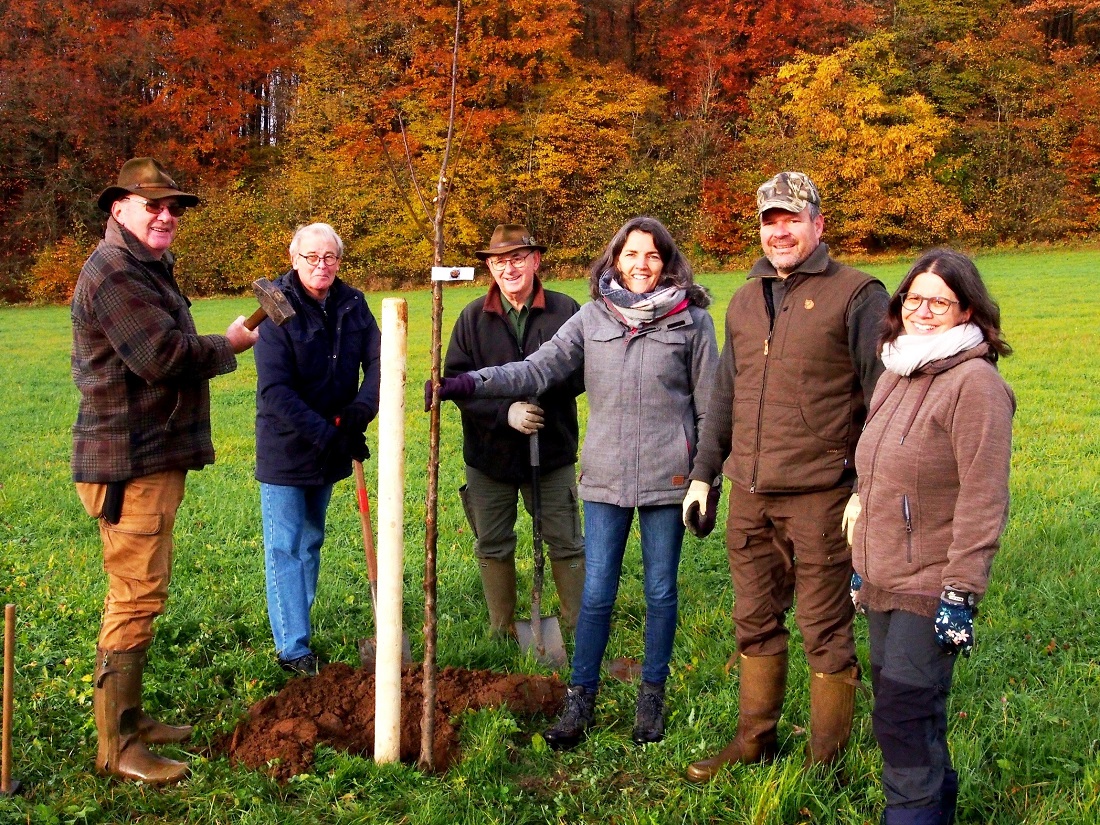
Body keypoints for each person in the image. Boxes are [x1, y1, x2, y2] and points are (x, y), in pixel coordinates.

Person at [433, 217, 718, 748]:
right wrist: (468, 382)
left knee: (659, 590)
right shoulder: (592, 319)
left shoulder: (692, 323)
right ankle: (579, 699)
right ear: (614, 261)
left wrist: (706, 477)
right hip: (605, 477)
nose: (640, 265)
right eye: (630, 254)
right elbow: (536, 368)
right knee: (596, 594)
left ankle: (650, 698)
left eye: (652, 256)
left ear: (667, 263)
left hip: (668, 478)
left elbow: (711, 406)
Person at [682, 171, 890, 781]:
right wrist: (704, 476)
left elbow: (882, 398)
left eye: (792, 220)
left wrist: (867, 487)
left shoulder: (858, 294)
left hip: (822, 495)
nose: (780, 232)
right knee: (753, 618)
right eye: (771, 221)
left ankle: (824, 762)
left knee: (824, 626)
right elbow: (726, 392)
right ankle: (754, 740)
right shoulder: (745, 299)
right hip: (748, 494)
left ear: (818, 224)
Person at [71, 157, 259, 784]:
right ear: (116, 208)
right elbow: (160, 356)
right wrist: (228, 345)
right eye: (150, 204)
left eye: (172, 206)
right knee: (134, 597)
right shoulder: (116, 273)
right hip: (128, 462)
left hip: (148, 455)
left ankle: (133, 721)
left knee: (141, 593)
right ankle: (118, 747)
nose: (165, 215)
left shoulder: (145, 266)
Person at [849, 249, 1014, 824]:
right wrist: (860, 561)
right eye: (914, 298)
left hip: (932, 585)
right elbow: (875, 474)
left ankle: (912, 814)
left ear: (965, 309)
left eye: (938, 302)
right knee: (909, 714)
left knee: (903, 717)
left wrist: (961, 592)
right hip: (881, 577)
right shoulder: (897, 370)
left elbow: (984, 496)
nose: (923, 310)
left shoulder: (975, 385)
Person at [443, 224, 585, 639]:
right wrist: (504, 411)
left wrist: (539, 389)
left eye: (518, 258)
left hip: (553, 449)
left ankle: (576, 625)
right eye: (500, 261)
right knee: (492, 542)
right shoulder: (472, 318)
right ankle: (501, 628)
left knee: (566, 541)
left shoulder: (565, 310)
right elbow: (457, 382)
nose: (510, 268)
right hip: (490, 457)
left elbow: (581, 372)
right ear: (489, 266)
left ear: (536, 261)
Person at [254, 223, 381, 676]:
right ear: (294, 260)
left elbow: (381, 362)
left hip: (335, 440)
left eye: (330, 257)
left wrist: (360, 414)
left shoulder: (353, 304)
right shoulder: (276, 308)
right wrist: (332, 435)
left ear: (339, 262)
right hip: (287, 448)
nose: (321, 265)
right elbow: (275, 393)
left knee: (311, 540)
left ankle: (297, 627)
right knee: (286, 546)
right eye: (311, 257)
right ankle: (293, 649)